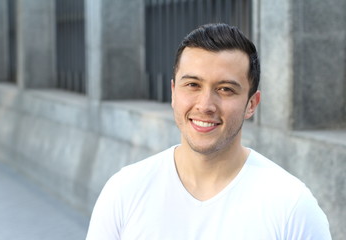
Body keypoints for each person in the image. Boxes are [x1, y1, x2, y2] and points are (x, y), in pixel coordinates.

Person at [86, 23, 331, 239]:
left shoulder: (292, 205)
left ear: (252, 104)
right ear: (173, 93)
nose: (205, 105)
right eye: (192, 85)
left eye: (225, 89)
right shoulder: (124, 191)